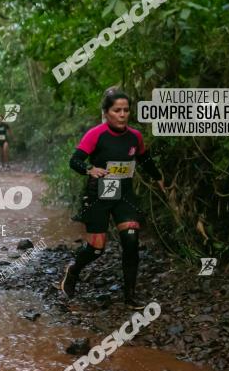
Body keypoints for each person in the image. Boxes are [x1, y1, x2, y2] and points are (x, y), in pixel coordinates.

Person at [56, 89, 165, 308]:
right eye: (117, 110)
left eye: (126, 110)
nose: (123, 114)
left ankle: (130, 297)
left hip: (124, 193)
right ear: (107, 113)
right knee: (97, 248)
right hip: (101, 192)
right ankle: (73, 271)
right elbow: (75, 161)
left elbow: (144, 160)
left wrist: (159, 178)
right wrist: (89, 169)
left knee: (132, 240)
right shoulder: (96, 134)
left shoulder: (135, 137)